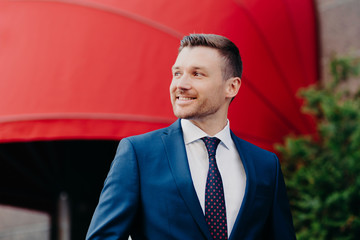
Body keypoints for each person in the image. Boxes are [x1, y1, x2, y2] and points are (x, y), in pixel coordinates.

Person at [86, 33, 296, 240]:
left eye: (197, 74)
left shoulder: (266, 165)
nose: (181, 84)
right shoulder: (138, 154)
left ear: (231, 87)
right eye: (177, 73)